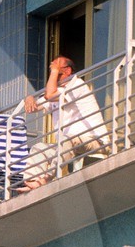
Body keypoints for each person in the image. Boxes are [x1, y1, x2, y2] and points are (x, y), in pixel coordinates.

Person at [19, 56, 110, 188]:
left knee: (66, 140)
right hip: (70, 144)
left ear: (67, 71)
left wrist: (54, 72)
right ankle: (33, 182)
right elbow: (33, 108)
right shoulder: (59, 92)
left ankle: (47, 178)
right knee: (39, 148)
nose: (52, 67)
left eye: (56, 66)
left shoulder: (77, 85)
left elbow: (50, 95)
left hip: (95, 141)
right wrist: (29, 98)